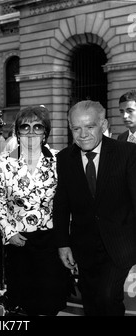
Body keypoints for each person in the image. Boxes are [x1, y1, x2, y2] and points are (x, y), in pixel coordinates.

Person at [53, 100, 136, 316]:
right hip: (84, 246)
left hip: (119, 244)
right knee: (91, 301)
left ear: (104, 124)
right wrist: (63, 244)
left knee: (108, 297)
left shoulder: (127, 153)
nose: (83, 134)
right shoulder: (64, 158)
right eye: (76, 128)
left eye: (90, 127)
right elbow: (61, 204)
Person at [0, 105, 68, 316]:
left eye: (37, 127)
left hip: (51, 242)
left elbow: (67, 202)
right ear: (17, 132)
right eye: (25, 127)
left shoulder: (59, 160)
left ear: (45, 132)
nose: (31, 132)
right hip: (19, 242)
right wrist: (9, 232)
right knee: (25, 305)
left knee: (49, 303)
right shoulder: (4, 162)